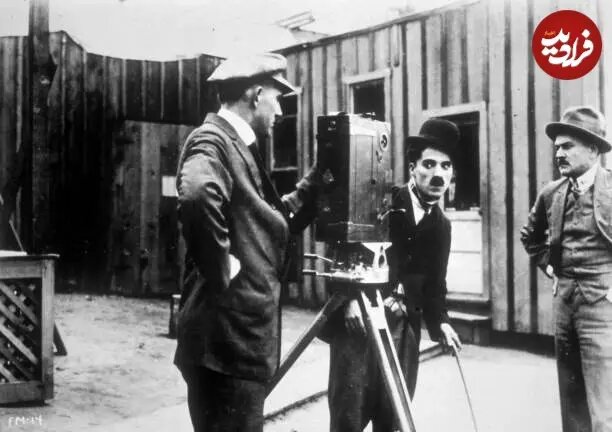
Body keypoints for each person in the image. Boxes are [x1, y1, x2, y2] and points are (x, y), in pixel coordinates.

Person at [173, 52, 321, 432]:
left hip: (234, 346)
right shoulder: (213, 140)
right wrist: (221, 264)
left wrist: (320, 179)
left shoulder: (236, 145)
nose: (280, 112)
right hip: (225, 347)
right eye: (277, 99)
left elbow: (265, 219)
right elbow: (197, 194)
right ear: (256, 95)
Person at [326, 118, 462, 432]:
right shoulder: (382, 202)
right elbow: (342, 252)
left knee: (394, 417)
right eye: (429, 164)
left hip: (404, 330)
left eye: (446, 166)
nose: (438, 174)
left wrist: (441, 321)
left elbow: (435, 285)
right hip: (359, 322)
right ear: (413, 168)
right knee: (349, 416)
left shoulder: (441, 226)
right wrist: (348, 302)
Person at [521, 106, 612, 432]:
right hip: (565, 304)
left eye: (568, 146)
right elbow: (530, 237)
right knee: (570, 394)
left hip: (603, 305)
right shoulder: (552, 193)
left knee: (604, 400)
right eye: (557, 147)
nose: (559, 153)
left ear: (593, 149)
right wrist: (550, 267)